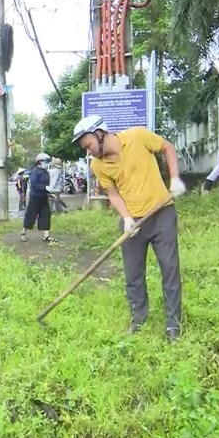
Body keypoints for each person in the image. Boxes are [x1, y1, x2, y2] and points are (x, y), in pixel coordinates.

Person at [72, 114, 188, 342]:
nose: (88, 152)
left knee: (169, 269)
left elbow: (167, 148)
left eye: (89, 146)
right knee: (133, 274)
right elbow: (113, 194)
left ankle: (173, 326)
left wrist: (174, 179)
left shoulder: (137, 136)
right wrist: (126, 218)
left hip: (162, 213)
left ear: (100, 133)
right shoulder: (98, 165)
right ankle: (139, 321)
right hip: (133, 223)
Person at [21, 153, 57, 244]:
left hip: (43, 198)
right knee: (30, 215)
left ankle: (46, 235)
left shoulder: (45, 172)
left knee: (46, 215)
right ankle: (23, 233)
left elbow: (47, 185)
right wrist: (44, 187)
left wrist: (50, 193)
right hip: (35, 198)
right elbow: (34, 184)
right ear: (39, 162)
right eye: (45, 162)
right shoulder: (35, 171)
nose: (47, 164)